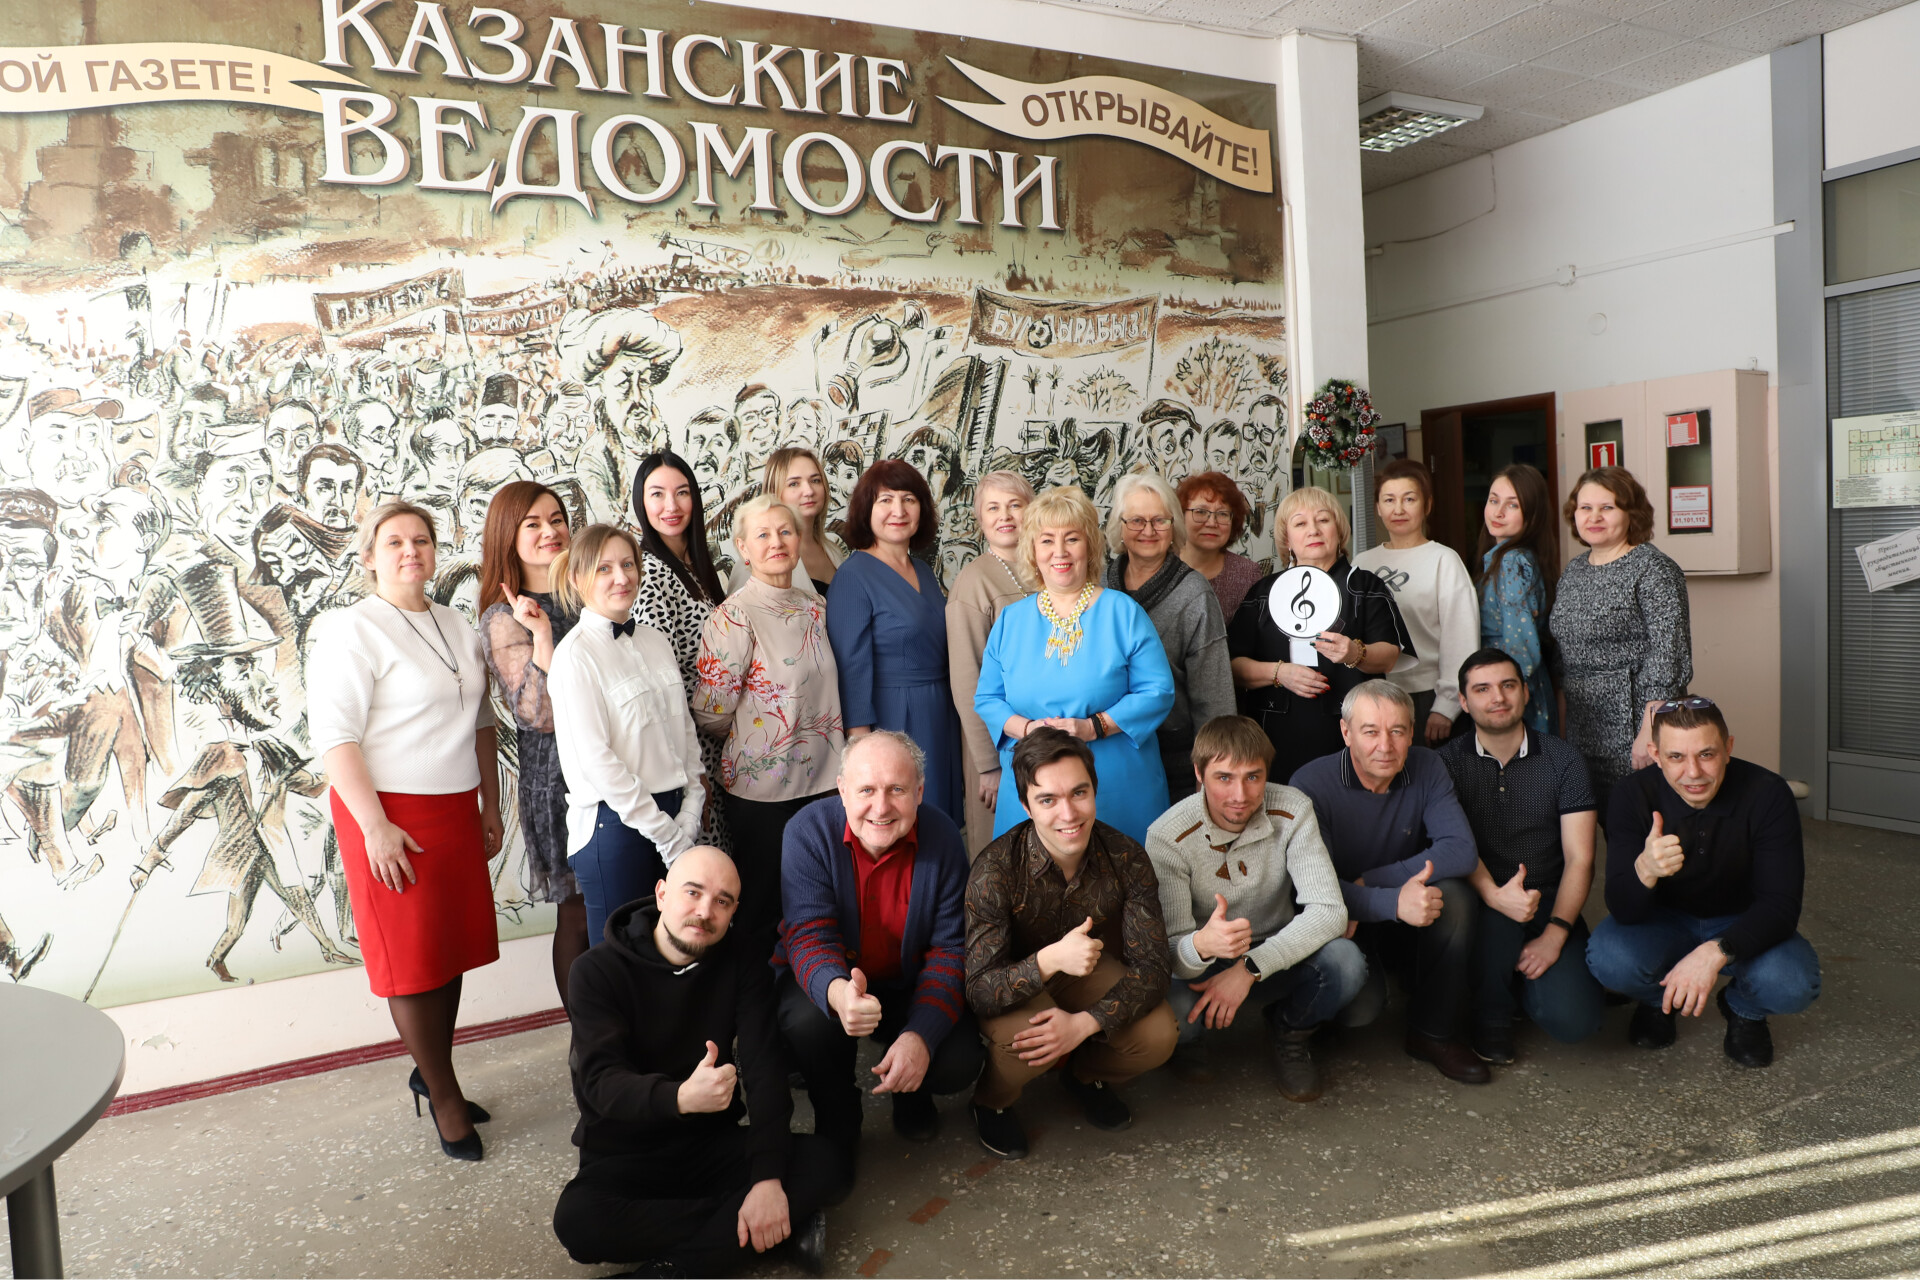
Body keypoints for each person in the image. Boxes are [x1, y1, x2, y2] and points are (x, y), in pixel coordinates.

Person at [308, 501, 507, 1161]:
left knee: (446, 950)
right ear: (369, 556)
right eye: (393, 542)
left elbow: (482, 721)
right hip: (388, 812)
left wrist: (490, 804)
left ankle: (432, 1070)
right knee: (413, 962)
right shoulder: (352, 629)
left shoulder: (456, 623)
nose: (410, 551)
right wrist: (375, 827)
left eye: (420, 539)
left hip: (454, 807)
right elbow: (335, 739)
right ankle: (445, 1097)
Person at [552, 846, 830, 1277]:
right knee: (578, 1221)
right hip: (626, 1151)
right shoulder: (595, 970)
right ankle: (770, 1230)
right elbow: (599, 1083)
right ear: (662, 893)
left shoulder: (742, 959)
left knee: (825, 1161)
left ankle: (671, 1270)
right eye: (693, 892)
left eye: (722, 901)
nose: (705, 912)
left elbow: (764, 1069)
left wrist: (766, 1180)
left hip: (708, 1143)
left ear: (734, 911)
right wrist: (678, 1097)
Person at [775, 731, 982, 1187]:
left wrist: (919, 1037)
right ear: (842, 789)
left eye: (897, 789)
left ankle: (909, 1087)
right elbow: (807, 935)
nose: (881, 807)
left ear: (919, 792)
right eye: (866, 789)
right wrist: (837, 992)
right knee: (806, 1023)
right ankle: (838, 1113)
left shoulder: (944, 837)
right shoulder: (808, 831)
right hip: (832, 974)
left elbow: (950, 950)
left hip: (906, 980)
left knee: (958, 1058)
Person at [965, 728, 1176, 1158]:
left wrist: (1084, 1025)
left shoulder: (1126, 856)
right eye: (1048, 800)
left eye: (1079, 793)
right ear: (1026, 805)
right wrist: (1048, 960)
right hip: (1014, 981)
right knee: (1034, 1041)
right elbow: (980, 990)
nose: (1068, 813)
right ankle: (990, 1101)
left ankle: (1083, 1075)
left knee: (1158, 1035)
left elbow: (1154, 969)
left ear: (1094, 791)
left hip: (1083, 973)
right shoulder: (994, 870)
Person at [1586, 698, 1819, 1068]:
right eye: (1676, 757)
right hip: (1662, 921)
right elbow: (1623, 910)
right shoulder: (1632, 794)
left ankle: (1744, 1009)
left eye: (1706, 754)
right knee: (1609, 957)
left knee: (1793, 983)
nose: (1693, 772)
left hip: (1742, 919)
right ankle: (1659, 999)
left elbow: (1781, 906)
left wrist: (1715, 952)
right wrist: (1645, 870)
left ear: (1727, 748)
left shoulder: (1768, 793)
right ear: (1655, 755)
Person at [1145, 715, 1364, 1098]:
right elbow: (1170, 952)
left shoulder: (1293, 808)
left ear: (1267, 774)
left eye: (1253, 776)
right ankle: (1191, 1043)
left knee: (1347, 963)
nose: (1240, 794)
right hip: (1204, 963)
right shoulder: (1167, 836)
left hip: (1276, 950)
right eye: (1224, 777)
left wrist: (1249, 968)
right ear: (1198, 774)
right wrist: (1203, 944)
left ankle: (1289, 1030)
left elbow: (1330, 911)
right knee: (1171, 1012)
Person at [1291, 680, 1485, 1083]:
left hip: (1400, 909)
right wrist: (1388, 901)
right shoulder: (1310, 784)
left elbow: (1460, 850)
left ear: (1411, 733)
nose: (1385, 745)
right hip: (1341, 920)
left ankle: (1432, 1033)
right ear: (1346, 732)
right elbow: (1309, 890)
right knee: (1360, 1011)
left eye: (1397, 731)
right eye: (1370, 731)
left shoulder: (1427, 766)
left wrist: (1372, 882)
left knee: (1455, 897)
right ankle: (1307, 1022)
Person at [975, 485, 1174, 844]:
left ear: (1090, 547)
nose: (1060, 552)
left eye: (1072, 539)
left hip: (1117, 787)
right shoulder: (1010, 621)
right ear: (1032, 551)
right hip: (1033, 785)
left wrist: (1093, 727)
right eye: (1047, 540)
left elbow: (1157, 692)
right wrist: (1028, 729)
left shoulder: (1123, 613)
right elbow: (988, 699)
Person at [695, 495, 845, 958]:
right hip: (763, 792)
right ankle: (758, 999)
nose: (776, 542)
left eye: (785, 531)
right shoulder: (734, 616)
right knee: (762, 911)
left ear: (799, 540)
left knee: (823, 904)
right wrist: (762, 734)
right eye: (762, 534)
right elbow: (712, 713)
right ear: (743, 548)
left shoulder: (816, 606)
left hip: (827, 783)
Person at [1438, 648, 1605, 1064]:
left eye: (1508, 685)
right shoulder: (1445, 764)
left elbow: (1580, 859)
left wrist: (1556, 934)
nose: (1498, 697)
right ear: (1463, 702)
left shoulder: (1563, 760)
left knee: (1575, 1021)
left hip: (1548, 899)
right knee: (1492, 920)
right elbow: (1450, 845)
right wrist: (1494, 895)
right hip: (1479, 899)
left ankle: (1521, 985)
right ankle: (1491, 1015)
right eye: (1482, 689)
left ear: (1526, 693)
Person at [549, 523, 708, 947]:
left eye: (628, 565)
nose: (621, 577)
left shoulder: (656, 641)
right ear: (577, 578)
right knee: (622, 964)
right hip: (615, 828)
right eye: (604, 568)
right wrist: (666, 834)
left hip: (676, 816)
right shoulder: (574, 656)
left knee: (674, 956)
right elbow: (598, 763)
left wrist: (691, 809)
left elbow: (684, 731)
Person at [475, 481, 588, 1010]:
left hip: (614, 766)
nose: (550, 531)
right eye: (533, 524)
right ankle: (588, 1040)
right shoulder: (504, 617)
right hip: (561, 778)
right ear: (509, 536)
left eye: (557, 519)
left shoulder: (589, 594)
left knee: (623, 905)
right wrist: (541, 635)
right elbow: (539, 714)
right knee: (579, 912)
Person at [1230, 487, 1412, 784]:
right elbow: (1232, 665)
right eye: (1300, 523)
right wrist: (1279, 672)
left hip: (1352, 731)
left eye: (1323, 520)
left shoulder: (1365, 586)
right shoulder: (1263, 593)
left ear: (1339, 531)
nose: (1313, 530)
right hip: (1275, 732)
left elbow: (1390, 655)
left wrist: (1355, 653)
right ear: (1287, 539)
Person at [825, 459, 965, 823]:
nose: (898, 510)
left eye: (909, 499)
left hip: (940, 712)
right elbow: (850, 669)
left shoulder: (923, 570)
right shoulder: (853, 576)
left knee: (941, 823)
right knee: (904, 822)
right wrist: (861, 749)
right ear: (866, 510)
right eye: (885, 500)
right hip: (892, 717)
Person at [1549, 466, 1692, 816]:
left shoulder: (1654, 568)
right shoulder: (1574, 570)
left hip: (1636, 724)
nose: (1594, 517)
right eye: (1585, 508)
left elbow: (1668, 653)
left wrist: (1650, 731)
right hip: (1584, 724)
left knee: (1641, 822)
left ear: (1632, 513)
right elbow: (1563, 655)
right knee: (1604, 821)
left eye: (1608, 507)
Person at [1104, 473, 1235, 804]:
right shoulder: (1099, 585)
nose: (1148, 531)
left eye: (1159, 520)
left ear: (1174, 526)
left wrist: (1213, 769)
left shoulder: (1194, 593)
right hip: (1105, 753)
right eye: (1136, 520)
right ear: (1119, 527)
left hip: (1174, 760)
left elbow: (1214, 696)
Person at [631, 451, 731, 849]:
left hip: (720, 744)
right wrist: (690, 771)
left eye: (682, 492)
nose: (671, 506)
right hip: (690, 752)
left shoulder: (697, 565)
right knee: (704, 868)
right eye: (657, 494)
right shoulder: (649, 573)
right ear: (641, 503)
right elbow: (659, 680)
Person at [1353, 459, 1477, 747]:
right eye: (1389, 500)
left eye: (1409, 499)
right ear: (1377, 507)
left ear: (1427, 505)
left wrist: (1446, 706)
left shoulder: (1444, 560)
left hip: (1427, 696)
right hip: (1373, 692)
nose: (1398, 509)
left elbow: (1461, 637)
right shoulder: (1362, 563)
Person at [946, 471, 1036, 857]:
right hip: (999, 745)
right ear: (979, 518)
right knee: (1003, 854)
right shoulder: (974, 582)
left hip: (1048, 736)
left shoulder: (1049, 567)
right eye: (993, 508)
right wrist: (988, 765)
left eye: (1016, 505)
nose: (1006, 516)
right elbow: (967, 680)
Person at [1477, 464, 1560, 735]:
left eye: (1512, 505)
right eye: (1493, 501)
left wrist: (1501, 693)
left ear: (1532, 513)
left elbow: (1521, 644)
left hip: (1511, 691)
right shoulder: (1510, 557)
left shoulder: (1513, 561)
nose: (1498, 512)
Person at [1178, 471, 1265, 622]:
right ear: (1181, 516)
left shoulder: (1247, 575)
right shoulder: (1160, 566)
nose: (1212, 523)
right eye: (1200, 512)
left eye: (1222, 514)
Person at [765, 446, 843, 593]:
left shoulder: (834, 551)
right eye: (794, 483)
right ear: (774, 492)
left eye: (815, 480)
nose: (809, 491)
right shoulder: (760, 559)